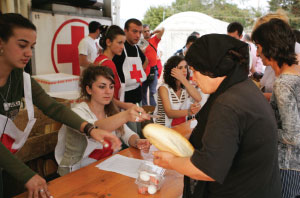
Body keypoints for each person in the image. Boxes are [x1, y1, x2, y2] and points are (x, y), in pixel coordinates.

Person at [0, 13, 121, 197]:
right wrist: (26, 175)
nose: (28, 53)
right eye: (22, 45)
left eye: (32, 47)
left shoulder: (20, 78)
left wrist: (90, 129)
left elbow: (53, 108)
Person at [153, 34, 281, 198]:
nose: (193, 77)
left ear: (210, 68)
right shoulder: (243, 86)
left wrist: (170, 161)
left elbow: (207, 169)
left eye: (194, 70)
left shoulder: (228, 104)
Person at [55, 66, 151, 176]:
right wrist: (125, 115)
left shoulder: (111, 111)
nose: (108, 92)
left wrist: (137, 141)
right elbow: (95, 128)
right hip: (77, 173)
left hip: (106, 168)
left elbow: (126, 133)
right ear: (89, 89)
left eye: (111, 87)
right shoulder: (77, 112)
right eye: (102, 87)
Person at [252, 18, 300, 198]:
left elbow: (292, 136)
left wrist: (262, 130)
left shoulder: (283, 84)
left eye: (258, 47)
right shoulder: (296, 75)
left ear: (269, 46)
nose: (257, 53)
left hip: (287, 166)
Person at [112, 18, 147, 135]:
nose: (138, 35)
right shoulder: (120, 48)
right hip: (124, 99)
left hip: (138, 95)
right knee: (130, 133)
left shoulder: (137, 48)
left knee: (138, 129)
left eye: (140, 32)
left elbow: (145, 61)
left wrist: (140, 74)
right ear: (125, 31)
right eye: (134, 31)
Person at [154, 56, 202, 128]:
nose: (184, 70)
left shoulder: (186, 86)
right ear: (172, 71)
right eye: (180, 68)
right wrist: (189, 111)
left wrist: (184, 80)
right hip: (163, 129)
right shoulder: (163, 88)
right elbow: (169, 113)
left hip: (180, 126)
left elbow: (198, 98)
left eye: (185, 67)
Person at [94, 25, 134, 110]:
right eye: (119, 43)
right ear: (108, 42)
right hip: (107, 109)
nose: (123, 47)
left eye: (123, 43)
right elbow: (106, 95)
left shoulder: (99, 59)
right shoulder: (108, 64)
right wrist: (125, 105)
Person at [141, 24, 164, 106]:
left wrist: (153, 32)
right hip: (144, 70)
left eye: (148, 31)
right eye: (145, 31)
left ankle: (153, 110)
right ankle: (144, 109)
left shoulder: (154, 39)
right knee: (143, 91)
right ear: (142, 33)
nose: (147, 33)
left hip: (153, 69)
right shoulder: (141, 42)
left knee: (153, 91)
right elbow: (142, 52)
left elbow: (162, 29)